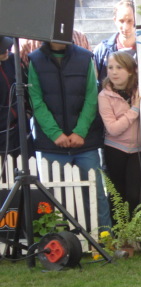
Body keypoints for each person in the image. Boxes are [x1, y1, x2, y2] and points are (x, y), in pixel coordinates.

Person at [28, 41, 111, 231]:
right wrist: (55, 133)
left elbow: (92, 96)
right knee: (55, 196)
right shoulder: (35, 60)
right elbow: (35, 100)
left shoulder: (85, 57)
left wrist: (80, 131)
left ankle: (105, 237)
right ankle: (61, 239)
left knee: (96, 193)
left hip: (85, 142)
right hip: (51, 144)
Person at [98, 51, 141, 218]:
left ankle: (137, 230)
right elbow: (113, 129)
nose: (114, 72)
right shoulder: (104, 96)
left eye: (119, 67)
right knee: (117, 195)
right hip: (115, 149)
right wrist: (134, 110)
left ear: (130, 70)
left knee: (135, 194)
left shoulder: (140, 91)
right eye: (110, 68)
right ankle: (118, 231)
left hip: (138, 149)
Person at [93, 0, 141, 86]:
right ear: (115, 20)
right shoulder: (101, 51)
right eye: (121, 21)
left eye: (130, 21)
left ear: (137, 21)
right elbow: (94, 85)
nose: (125, 27)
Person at [0, 36, 22, 172]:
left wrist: (26, 112)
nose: (6, 51)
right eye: (2, 50)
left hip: (18, 130)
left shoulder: (12, 60)